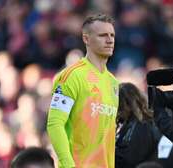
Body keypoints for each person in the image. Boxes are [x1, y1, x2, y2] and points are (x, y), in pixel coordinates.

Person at [47, 13, 119, 168]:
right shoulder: (72, 76)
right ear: (86, 39)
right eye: (102, 35)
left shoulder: (113, 82)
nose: (110, 40)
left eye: (112, 35)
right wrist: (67, 165)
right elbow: (55, 123)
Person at [115, 83, 159, 168]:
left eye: (119, 106)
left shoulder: (143, 126)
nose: (118, 111)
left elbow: (131, 159)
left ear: (128, 104)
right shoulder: (128, 124)